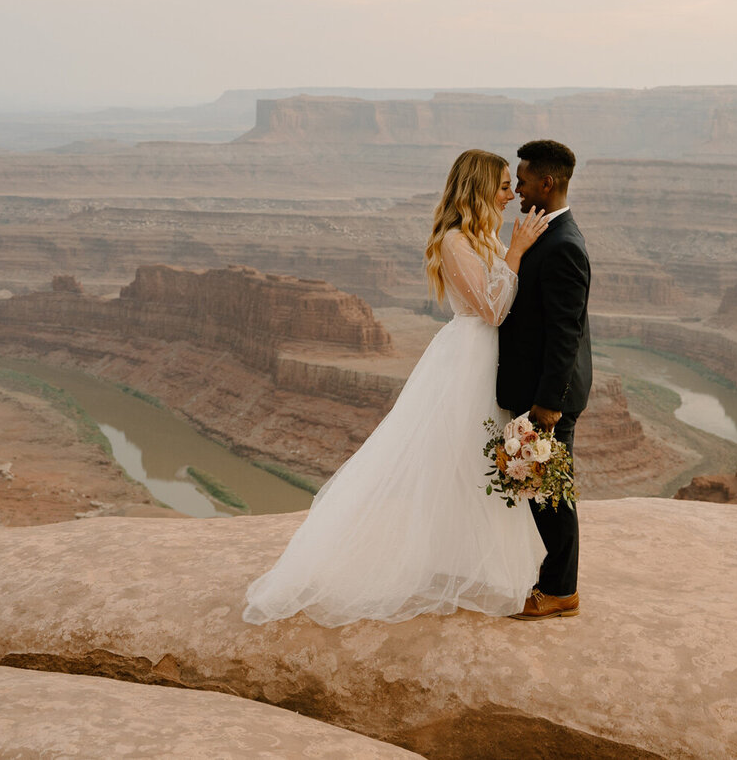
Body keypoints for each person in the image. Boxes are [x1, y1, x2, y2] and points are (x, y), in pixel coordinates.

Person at [242, 149, 551, 626]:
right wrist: (516, 251)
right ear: (479, 189)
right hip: (469, 360)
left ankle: (470, 568)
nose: (512, 195)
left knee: (480, 464)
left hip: (490, 360)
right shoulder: (454, 241)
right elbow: (490, 311)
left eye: (513, 185)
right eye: (505, 186)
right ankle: (439, 568)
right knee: (463, 460)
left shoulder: (482, 236)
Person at [498, 139, 591, 621]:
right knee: (538, 486)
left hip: (547, 396)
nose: (516, 189)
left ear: (546, 183)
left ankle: (560, 591)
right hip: (537, 390)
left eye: (522, 179)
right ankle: (556, 583)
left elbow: (565, 332)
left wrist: (549, 402)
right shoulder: (548, 235)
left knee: (549, 490)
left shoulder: (563, 245)